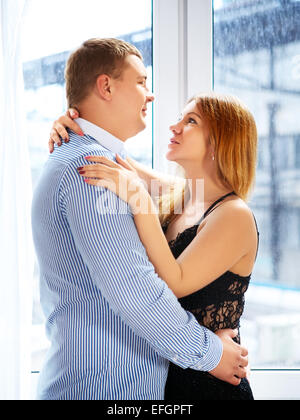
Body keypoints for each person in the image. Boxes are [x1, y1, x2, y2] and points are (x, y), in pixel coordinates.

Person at [32, 38, 248, 401]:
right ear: (106, 86)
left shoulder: (106, 167)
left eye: (190, 120)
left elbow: (160, 187)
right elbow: (136, 291)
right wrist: (213, 354)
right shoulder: (92, 170)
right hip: (102, 389)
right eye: (141, 82)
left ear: (218, 143)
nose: (150, 96)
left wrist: (75, 122)